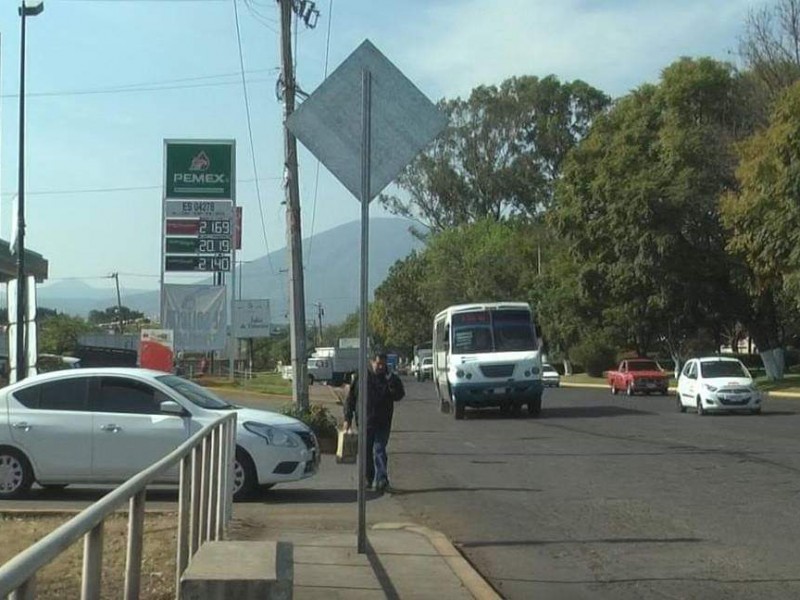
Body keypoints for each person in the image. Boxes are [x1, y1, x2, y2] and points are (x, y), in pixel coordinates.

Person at [344, 353, 405, 493]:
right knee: (366, 452)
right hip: (365, 421)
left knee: (379, 450)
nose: (381, 367)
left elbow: (399, 395)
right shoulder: (362, 377)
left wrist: (392, 384)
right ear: (371, 362)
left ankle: (381, 480)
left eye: (384, 364)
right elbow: (351, 399)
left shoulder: (390, 377)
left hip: (383, 421)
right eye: (378, 364)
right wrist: (347, 419)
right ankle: (367, 479)